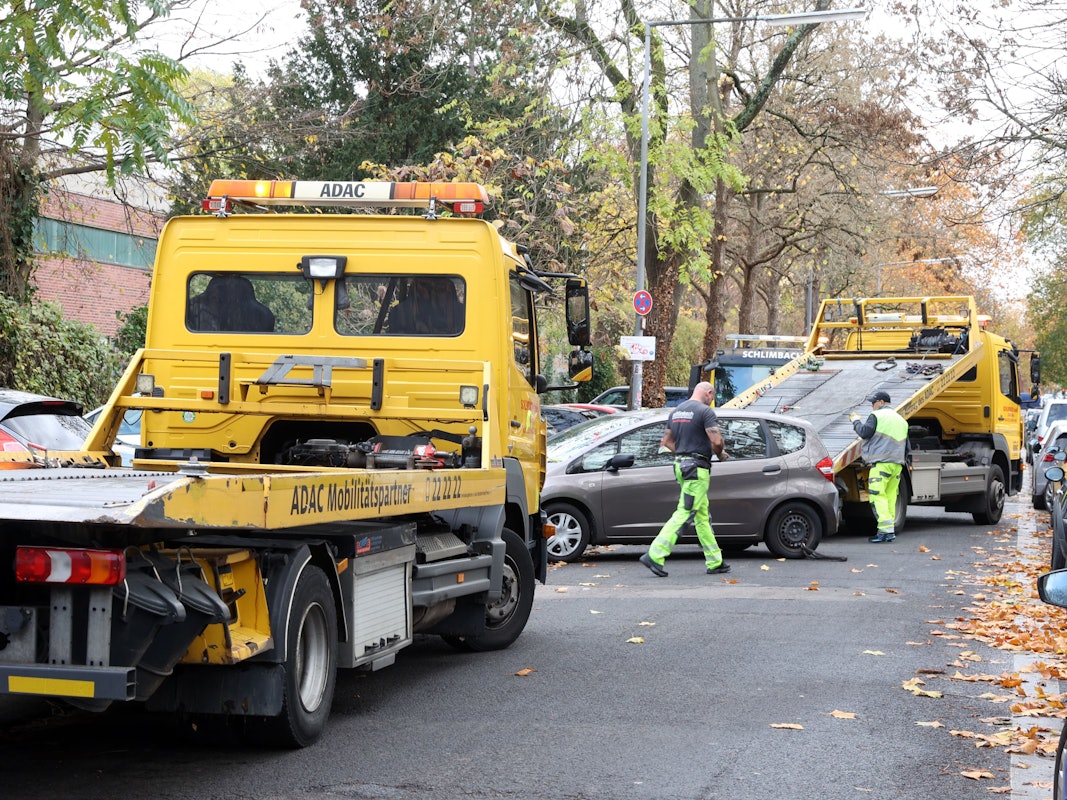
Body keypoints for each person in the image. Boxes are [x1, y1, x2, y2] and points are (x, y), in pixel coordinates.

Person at [639, 381, 731, 577]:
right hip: (697, 470)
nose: (711, 401)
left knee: (701, 516)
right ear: (708, 393)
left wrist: (684, 454)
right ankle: (655, 554)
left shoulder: (676, 411)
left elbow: (667, 442)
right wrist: (720, 453)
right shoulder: (705, 412)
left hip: (681, 467)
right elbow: (716, 440)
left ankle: (715, 561)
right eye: (712, 398)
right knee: (685, 512)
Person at [850, 390, 911, 543]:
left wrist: (855, 421)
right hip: (897, 465)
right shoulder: (901, 420)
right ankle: (888, 532)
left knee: (877, 496)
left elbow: (864, 432)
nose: (872, 405)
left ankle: (884, 531)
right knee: (890, 496)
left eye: (874, 402)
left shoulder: (877, 416)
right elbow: (907, 446)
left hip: (881, 464)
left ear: (882, 402)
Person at [387, 276, 462, 335]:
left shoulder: (463, 313)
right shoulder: (398, 314)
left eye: (440, 288)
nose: (430, 293)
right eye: (423, 286)